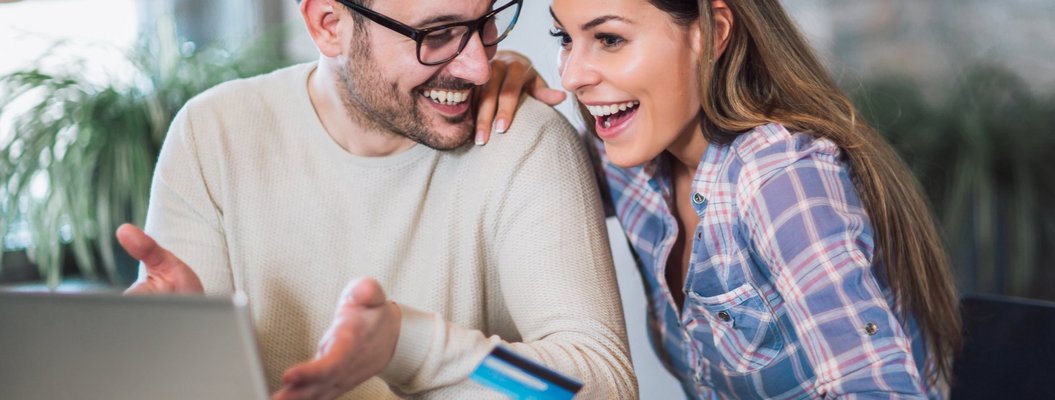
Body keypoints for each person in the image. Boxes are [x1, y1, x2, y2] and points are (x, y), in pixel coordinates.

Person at [114, 0, 637, 398]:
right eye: (437, 34)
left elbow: (602, 384)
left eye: (486, 21)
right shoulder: (214, 134)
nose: (479, 66)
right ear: (328, 24)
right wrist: (178, 354)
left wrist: (409, 345)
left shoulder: (524, 142)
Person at [529, 0, 964, 397]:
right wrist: (504, 77)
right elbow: (526, 189)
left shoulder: (782, 180)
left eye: (609, 39)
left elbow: (881, 391)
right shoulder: (626, 160)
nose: (572, 77)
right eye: (565, 38)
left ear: (713, 32)